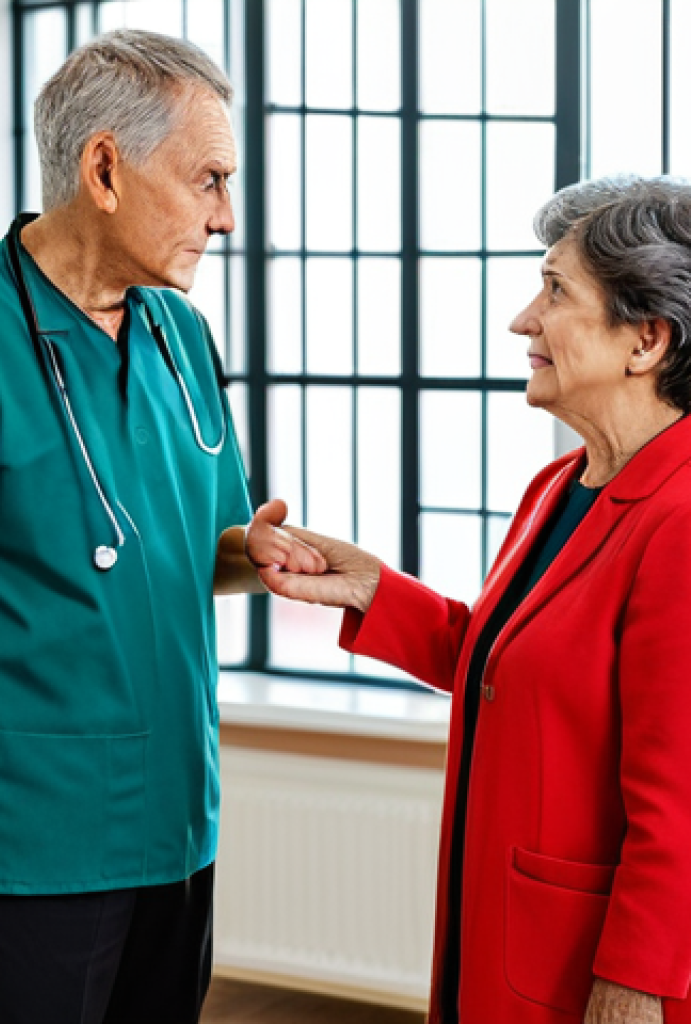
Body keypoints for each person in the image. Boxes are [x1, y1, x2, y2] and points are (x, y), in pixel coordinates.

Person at [0, 29, 319, 1024]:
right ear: (103, 167)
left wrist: (249, 553)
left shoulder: (180, 334)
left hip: (173, 814)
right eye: (208, 179)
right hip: (23, 827)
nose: (227, 217)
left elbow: (184, 545)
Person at [246, 176, 691, 1024]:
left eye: (555, 290)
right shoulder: (558, 487)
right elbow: (516, 667)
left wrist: (633, 989)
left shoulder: (683, 520)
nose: (523, 319)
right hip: (501, 935)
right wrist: (376, 590)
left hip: (599, 974)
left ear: (646, 339)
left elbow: (682, 808)